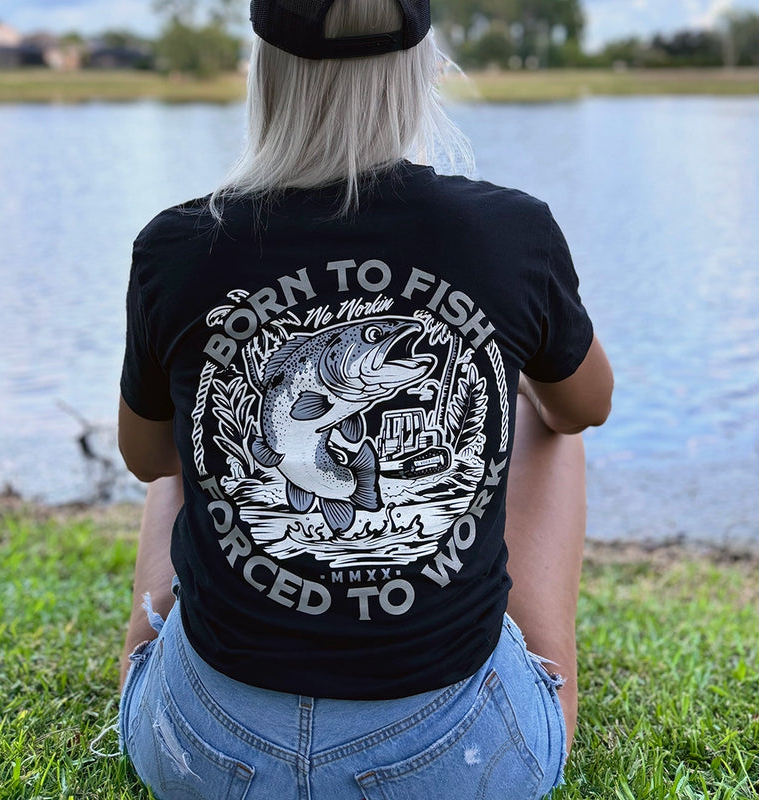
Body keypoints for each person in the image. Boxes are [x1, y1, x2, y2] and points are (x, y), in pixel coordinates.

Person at [115, 0, 614, 798]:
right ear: (421, 70)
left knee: (181, 435)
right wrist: (512, 365)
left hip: (206, 760)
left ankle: (154, 654)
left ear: (265, 72)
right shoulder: (510, 231)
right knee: (543, 412)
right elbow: (587, 406)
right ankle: (545, 680)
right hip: (455, 766)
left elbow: (145, 459)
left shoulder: (176, 245)